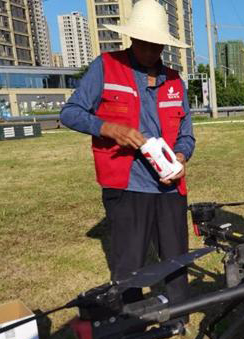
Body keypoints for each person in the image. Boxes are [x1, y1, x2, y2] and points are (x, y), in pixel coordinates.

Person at [60, 0, 194, 325]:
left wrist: (180, 157)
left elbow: (187, 135)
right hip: (127, 184)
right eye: (144, 41)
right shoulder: (106, 66)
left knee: (176, 260)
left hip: (169, 188)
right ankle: (129, 321)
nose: (151, 49)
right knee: (129, 263)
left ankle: (177, 318)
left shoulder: (175, 80)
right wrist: (109, 128)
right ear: (132, 38)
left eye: (157, 43)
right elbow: (70, 112)